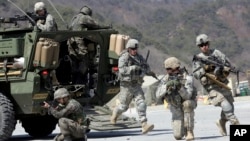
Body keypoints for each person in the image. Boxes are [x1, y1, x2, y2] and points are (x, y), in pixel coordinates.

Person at [192, 34, 240, 136]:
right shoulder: (198, 58)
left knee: (229, 107)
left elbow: (227, 62)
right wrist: (205, 68)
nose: (204, 46)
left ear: (208, 43)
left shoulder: (216, 53)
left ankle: (221, 122)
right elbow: (195, 74)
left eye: (205, 44)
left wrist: (229, 68)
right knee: (226, 106)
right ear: (199, 47)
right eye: (201, 45)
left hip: (222, 84)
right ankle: (237, 127)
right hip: (211, 87)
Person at [110, 38, 155, 134]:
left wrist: (146, 71)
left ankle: (144, 124)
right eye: (133, 49)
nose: (135, 51)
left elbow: (146, 67)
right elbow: (122, 70)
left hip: (136, 84)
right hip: (126, 86)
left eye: (136, 49)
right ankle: (115, 113)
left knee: (141, 102)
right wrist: (133, 68)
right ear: (128, 49)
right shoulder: (124, 57)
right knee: (123, 107)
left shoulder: (139, 57)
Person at [67, 6, 109, 89]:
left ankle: (75, 80)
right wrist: (107, 26)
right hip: (78, 41)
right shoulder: (84, 18)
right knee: (85, 59)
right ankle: (81, 80)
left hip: (70, 42)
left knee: (75, 61)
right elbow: (96, 25)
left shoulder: (74, 18)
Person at [161, 57, 197, 140]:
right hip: (175, 108)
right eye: (168, 69)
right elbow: (157, 95)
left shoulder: (187, 78)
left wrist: (180, 87)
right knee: (178, 136)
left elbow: (188, 96)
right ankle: (183, 126)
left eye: (171, 69)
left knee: (187, 104)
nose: (169, 71)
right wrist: (166, 87)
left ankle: (189, 131)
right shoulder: (165, 79)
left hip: (187, 104)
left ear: (176, 68)